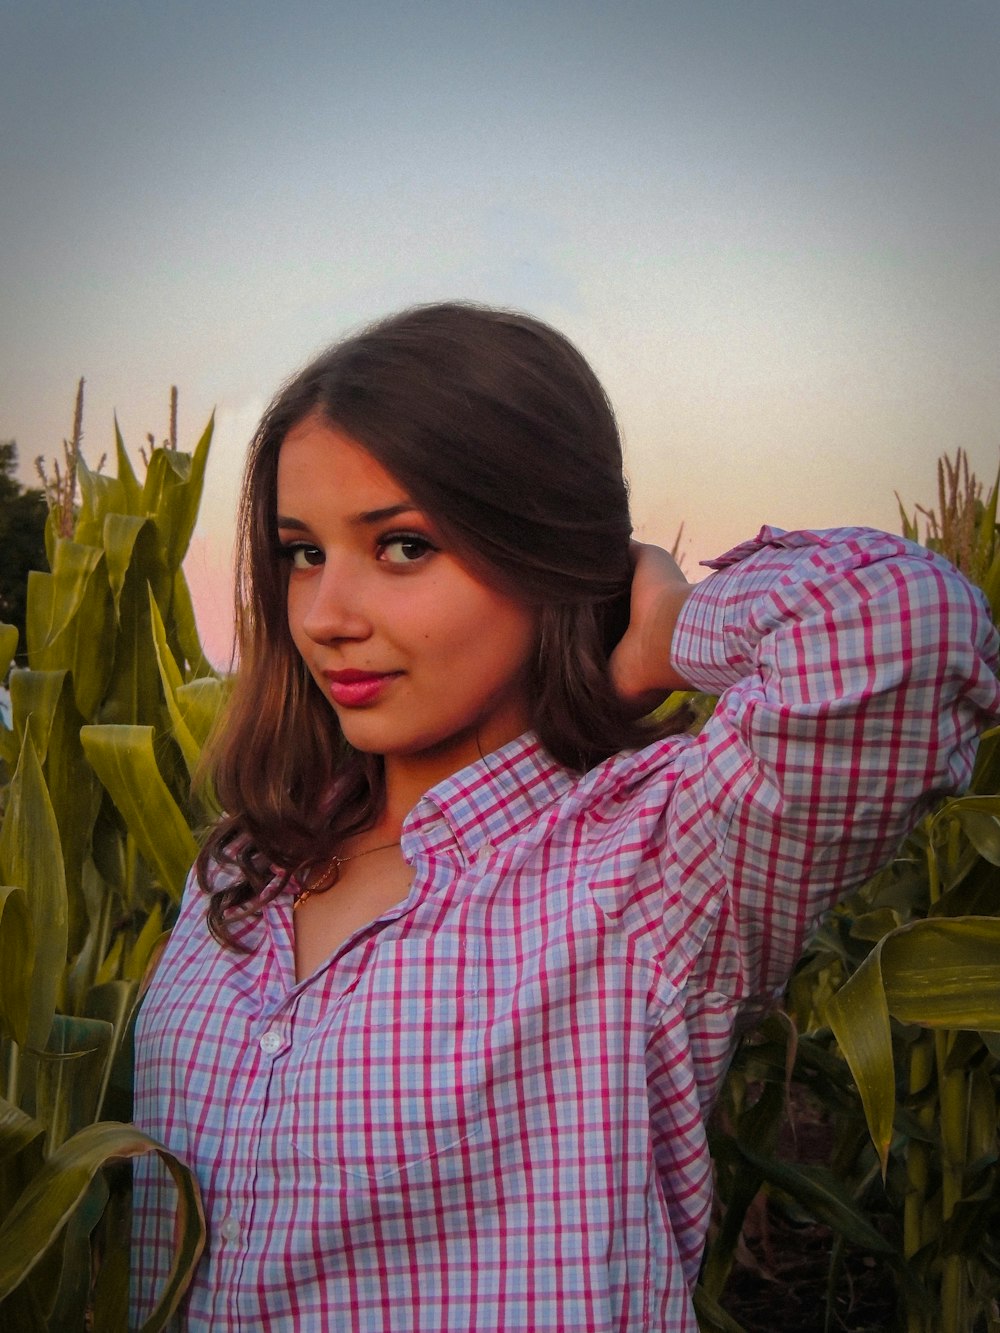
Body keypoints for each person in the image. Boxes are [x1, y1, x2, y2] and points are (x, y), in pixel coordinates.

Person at [130, 302, 1000, 1332]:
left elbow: (907, 628)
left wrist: (665, 630)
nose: (325, 614)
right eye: (301, 552)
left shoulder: (648, 864)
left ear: (543, 549)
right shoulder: (241, 873)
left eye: (403, 546)